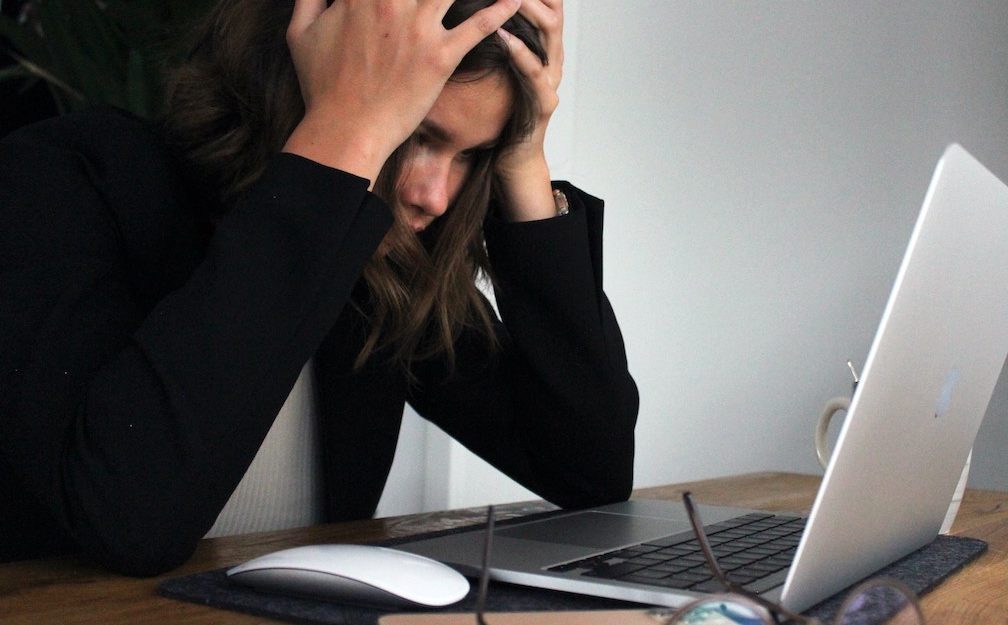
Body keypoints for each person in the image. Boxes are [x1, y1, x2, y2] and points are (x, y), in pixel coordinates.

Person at [0, 0, 638, 576]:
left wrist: (524, 159)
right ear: (301, 71)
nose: (434, 196)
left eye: (472, 154)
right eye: (417, 133)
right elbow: (130, 522)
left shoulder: (378, 264)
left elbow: (590, 471)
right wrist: (343, 138)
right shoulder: (62, 181)